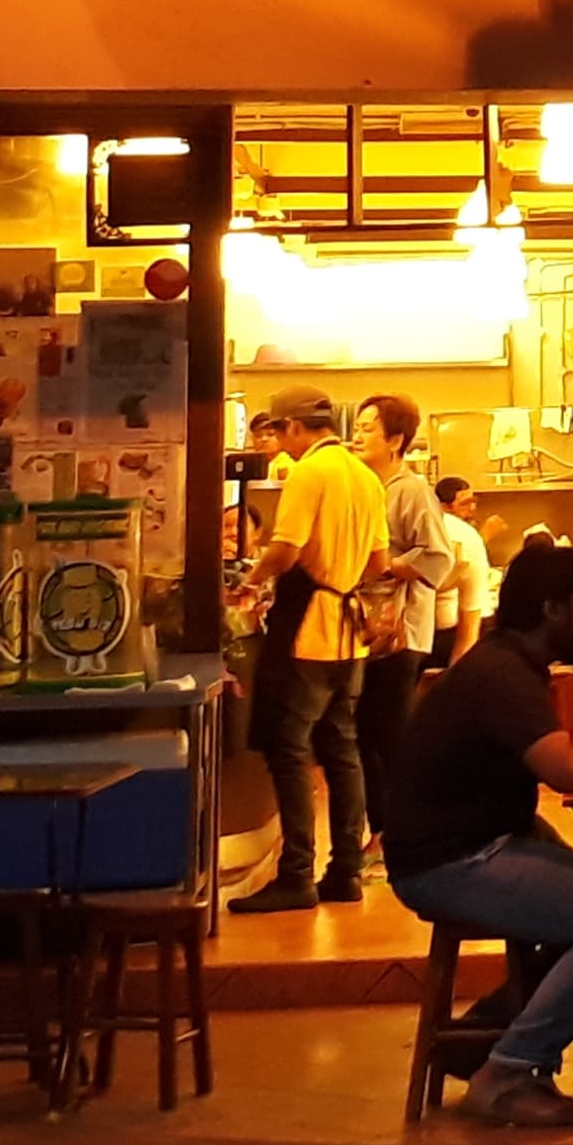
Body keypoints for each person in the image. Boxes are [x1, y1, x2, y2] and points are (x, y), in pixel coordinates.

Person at [386, 543, 573, 1129]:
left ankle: (479, 1040)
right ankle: (507, 1074)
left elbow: (560, 755)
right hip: (450, 860)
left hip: (482, 839)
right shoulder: (502, 675)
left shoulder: (510, 665)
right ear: (550, 610)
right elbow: (568, 770)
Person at [232, 383, 391, 914]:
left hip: (307, 634)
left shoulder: (308, 472)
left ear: (295, 426)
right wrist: (339, 574)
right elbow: (378, 564)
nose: (279, 443)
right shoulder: (365, 477)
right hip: (350, 637)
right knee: (342, 751)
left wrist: (250, 580)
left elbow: (286, 550)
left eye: (279, 431)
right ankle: (345, 872)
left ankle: (296, 874)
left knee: (288, 752)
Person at [351, 392, 449, 864]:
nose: (357, 436)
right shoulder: (363, 485)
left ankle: (404, 837)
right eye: (357, 426)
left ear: (396, 441)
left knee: (387, 736)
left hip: (401, 630)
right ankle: (383, 832)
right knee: (366, 733)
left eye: (368, 428)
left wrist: (386, 566)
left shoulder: (410, 490)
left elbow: (438, 556)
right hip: (368, 631)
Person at [427, 475, 492, 672]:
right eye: (465, 503)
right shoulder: (452, 535)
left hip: (463, 622)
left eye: (474, 501)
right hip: (436, 629)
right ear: (444, 507)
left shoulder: (467, 535)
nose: (472, 508)